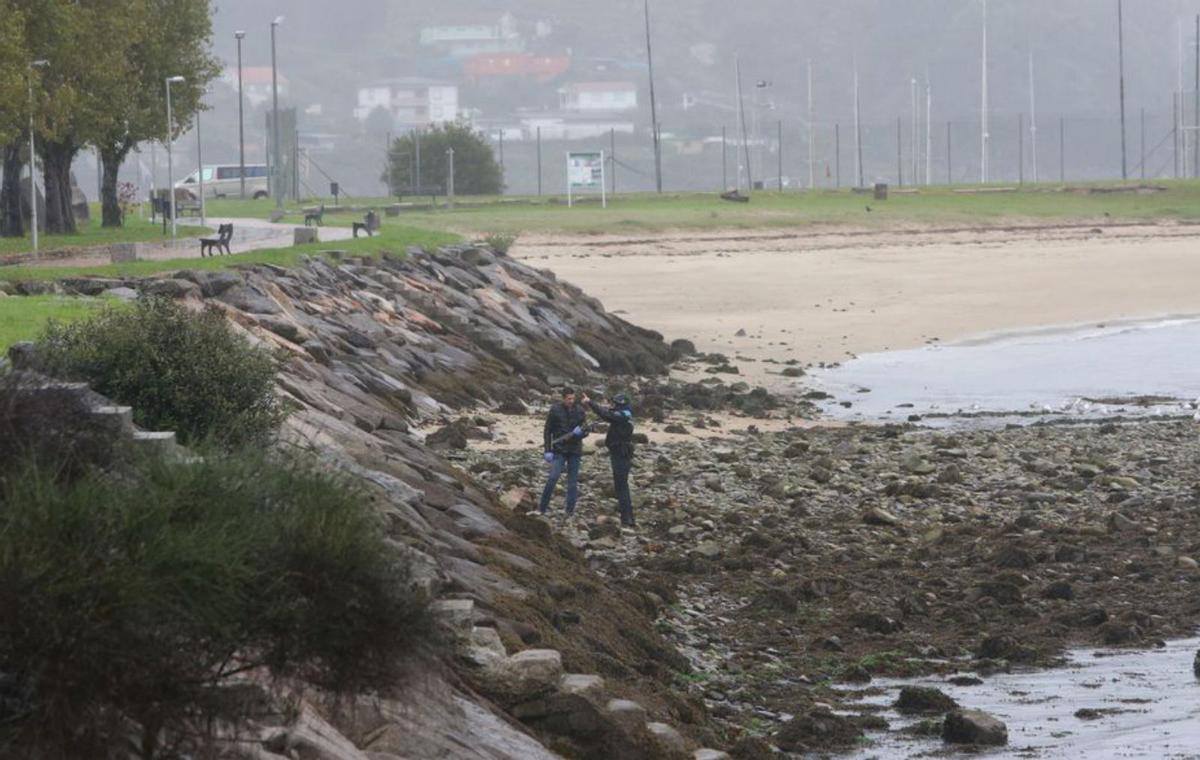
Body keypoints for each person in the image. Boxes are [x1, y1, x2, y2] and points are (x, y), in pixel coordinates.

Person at [588, 392, 637, 527]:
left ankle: (627, 519)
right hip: (620, 453)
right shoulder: (625, 414)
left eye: (615, 403)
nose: (613, 405)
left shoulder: (623, 415)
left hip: (620, 454)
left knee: (621, 487)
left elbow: (607, 415)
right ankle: (628, 517)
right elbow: (609, 413)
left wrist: (590, 403)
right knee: (622, 486)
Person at [539, 387, 588, 517]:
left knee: (572, 481)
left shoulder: (580, 410)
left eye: (573, 398)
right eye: (568, 399)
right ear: (563, 398)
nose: (571, 401)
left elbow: (586, 430)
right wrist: (547, 450)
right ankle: (542, 508)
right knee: (553, 477)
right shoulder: (555, 410)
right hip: (559, 450)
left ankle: (569, 511)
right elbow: (547, 431)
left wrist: (580, 434)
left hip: (575, 450)